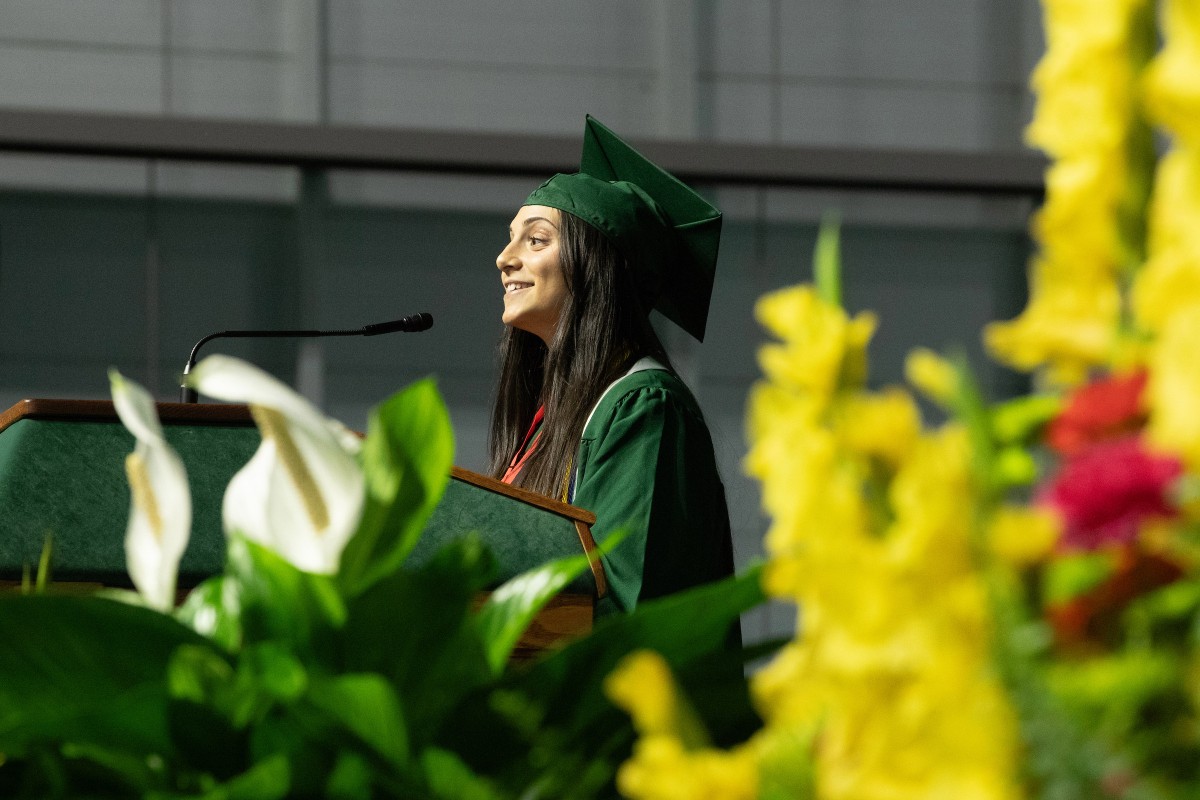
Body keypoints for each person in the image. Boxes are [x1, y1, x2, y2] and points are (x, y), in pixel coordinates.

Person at [488, 116, 737, 617]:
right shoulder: (551, 421)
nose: (504, 258)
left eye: (536, 240)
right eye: (511, 238)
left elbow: (626, 605)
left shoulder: (644, 410)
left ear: (596, 265)